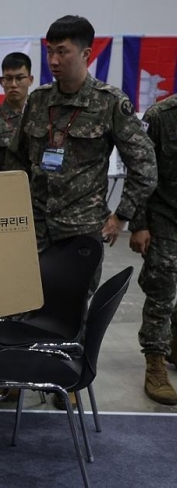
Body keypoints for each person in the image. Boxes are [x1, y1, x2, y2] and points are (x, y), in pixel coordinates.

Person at [4, 15, 157, 409]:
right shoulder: (38, 101)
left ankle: (66, 381)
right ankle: (12, 378)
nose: (53, 59)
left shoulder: (109, 103)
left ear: (86, 53)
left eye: (63, 51)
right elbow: (18, 158)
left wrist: (120, 216)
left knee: (72, 310)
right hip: (35, 226)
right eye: (49, 51)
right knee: (19, 302)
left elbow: (144, 166)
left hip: (81, 228)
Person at [130, 94, 177, 405]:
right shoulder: (160, 115)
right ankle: (155, 363)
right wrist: (139, 223)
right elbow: (142, 170)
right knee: (162, 286)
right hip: (164, 214)